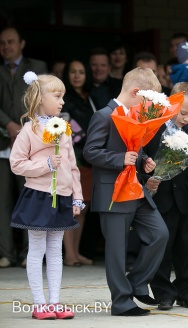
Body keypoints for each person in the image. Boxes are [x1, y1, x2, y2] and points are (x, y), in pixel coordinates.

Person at [83, 67, 169, 316]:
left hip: (136, 189)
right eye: (148, 99)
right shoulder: (103, 115)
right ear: (135, 92)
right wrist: (122, 158)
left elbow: (135, 151)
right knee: (117, 249)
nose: (150, 106)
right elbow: (90, 151)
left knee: (159, 234)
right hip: (113, 192)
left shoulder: (136, 116)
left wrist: (144, 161)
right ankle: (121, 302)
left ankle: (136, 283)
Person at [10, 72, 83, 319]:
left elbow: (72, 165)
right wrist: (46, 166)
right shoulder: (29, 130)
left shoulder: (63, 128)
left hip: (61, 195)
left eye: (63, 96)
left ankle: (54, 302)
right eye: (57, 95)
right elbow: (16, 164)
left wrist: (76, 196)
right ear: (40, 97)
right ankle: (39, 304)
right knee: (37, 248)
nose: (62, 101)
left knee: (55, 249)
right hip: (38, 196)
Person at [144, 82, 188, 311]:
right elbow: (145, 160)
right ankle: (163, 293)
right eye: (183, 113)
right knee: (163, 248)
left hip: (183, 202)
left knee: (185, 246)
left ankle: (185, 291)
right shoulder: (154, 129)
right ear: (171, 105)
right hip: (160, 200)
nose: (186, 119)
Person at [0, 26, 48, 269]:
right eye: (2, 43)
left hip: (30, 143)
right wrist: (8, 125)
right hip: (2, 143)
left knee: (30, 197)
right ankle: (7, 253)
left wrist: (23, 128)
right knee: (3, 200)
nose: (6, 47)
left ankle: (31, 253)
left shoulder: (37, 67)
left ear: (21, 43)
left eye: (10, 42)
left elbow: (42, 99)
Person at [61, 59, 97, 267]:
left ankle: (75, 252)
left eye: (81, 72)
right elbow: (66, 125)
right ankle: (70, 254)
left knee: (82, 207)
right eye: (73, 71)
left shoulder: (89, 97)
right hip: (74, 156)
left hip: (88, 157)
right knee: (71, 207)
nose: (77, 75)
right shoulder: (65, 98)